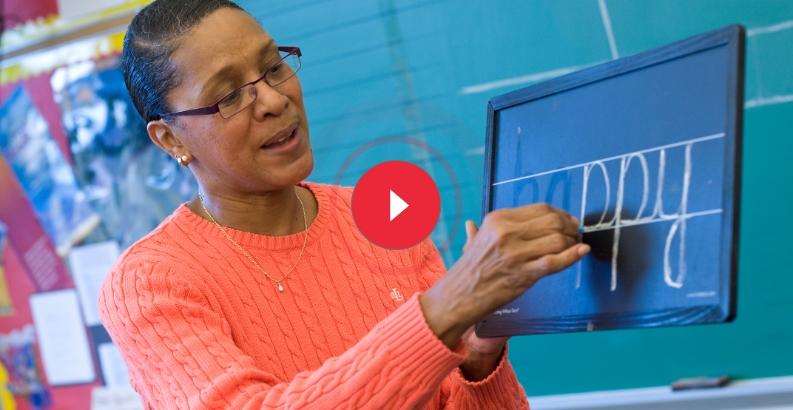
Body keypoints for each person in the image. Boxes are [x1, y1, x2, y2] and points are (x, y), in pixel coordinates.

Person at [97, 1, 591, 408]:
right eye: (228, 96)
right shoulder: (150, 283)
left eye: (273, 67)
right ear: (169, 139)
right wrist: (447, 306)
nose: (273, 99)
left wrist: (479, 359)